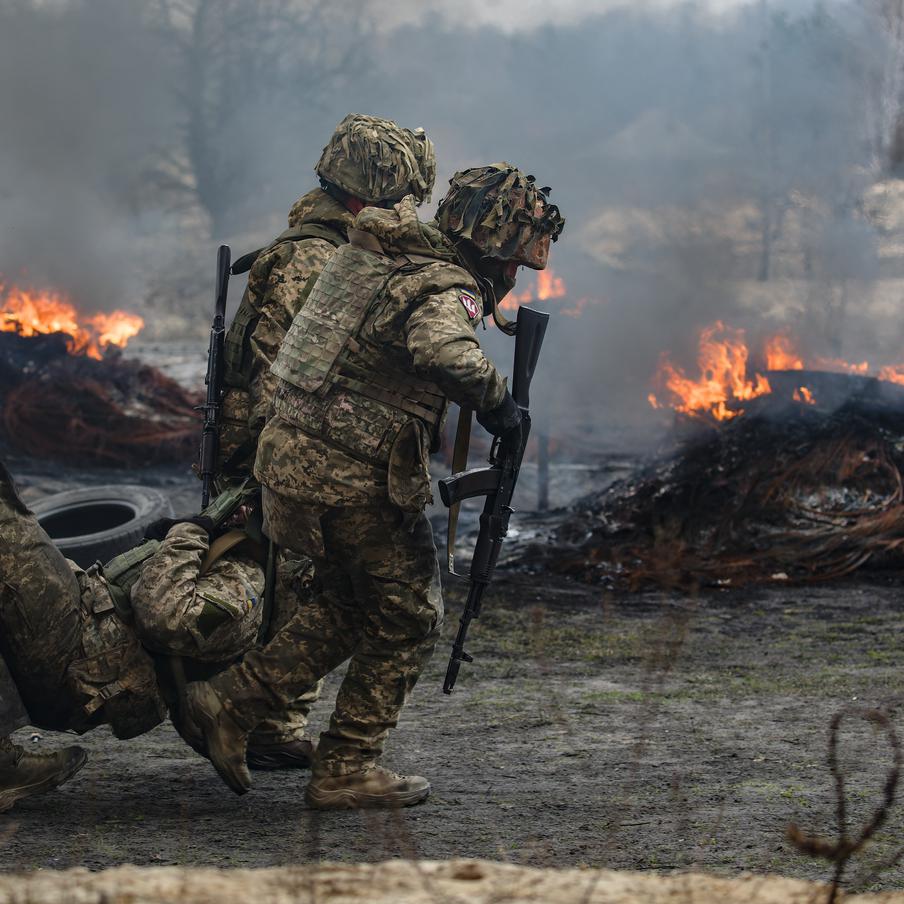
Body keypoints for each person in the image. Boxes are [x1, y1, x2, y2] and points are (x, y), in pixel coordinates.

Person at [185, 163, 565, 809]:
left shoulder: (387, 257)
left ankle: (229, 702)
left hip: (296, 466)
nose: (514, 279)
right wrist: (499, 406)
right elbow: (446, 353)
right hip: (352, 478)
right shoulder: (448, 287)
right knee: (409, 617)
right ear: (499, 247)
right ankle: (347, 767)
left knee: (348, 604)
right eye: (518, 264)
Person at [214, 113, 436, 767]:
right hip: (297, 451)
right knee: (308, 586)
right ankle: (270, 727)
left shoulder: (306, 248)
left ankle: (267, 721)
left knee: (314, 585)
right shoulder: (321, 259)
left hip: (284, 446)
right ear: (373, 193)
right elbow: (285, 373)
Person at [0, 461, 312, 810]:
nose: (237, 509)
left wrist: (186, 534)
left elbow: (165, 618)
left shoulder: (246, 583)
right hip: (78, 636)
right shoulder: (221, 558)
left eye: (249, 508)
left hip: (77, 657)